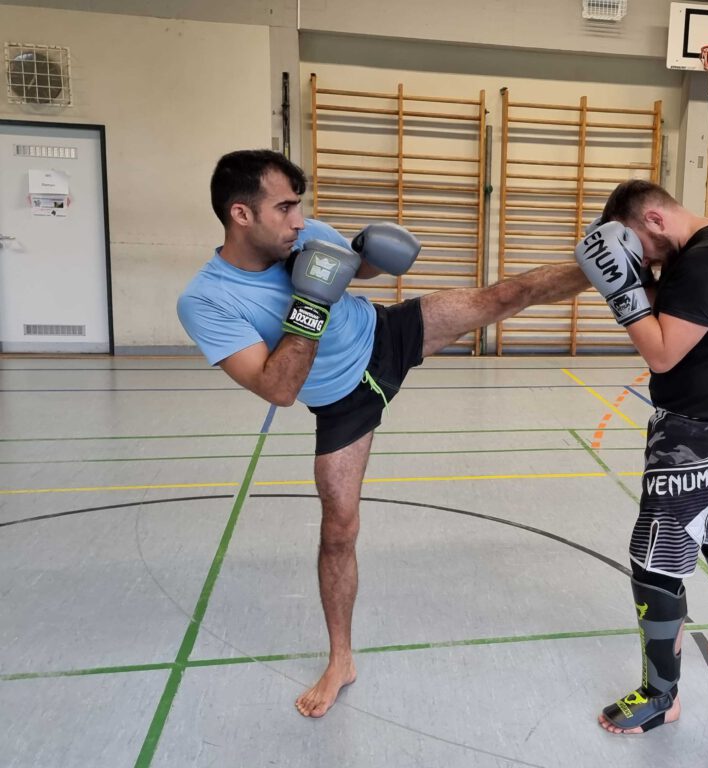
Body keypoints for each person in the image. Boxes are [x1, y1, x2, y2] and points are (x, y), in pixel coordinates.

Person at [177, 149, 591, 718]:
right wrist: (309, 305)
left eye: (300, 207)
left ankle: (612, 268)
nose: (300, 221)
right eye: (285, 208)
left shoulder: (304, 234)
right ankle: (340, 659)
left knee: (502, 296)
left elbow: (350, 271)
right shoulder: (206, 300)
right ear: (241, 214)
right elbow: (278, 388)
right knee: (338, 532)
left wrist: (367, 259)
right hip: (340, 404)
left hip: (386, 334)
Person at [574, 180, 708, 735]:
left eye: (638, 245)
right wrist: (633, 274)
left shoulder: (705, 263)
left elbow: (660, 353)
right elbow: (678, 311)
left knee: (654, 560)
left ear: (655, 219)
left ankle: (662, 696)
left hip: (696, 436)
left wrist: (622, 288)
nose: (640, 260)